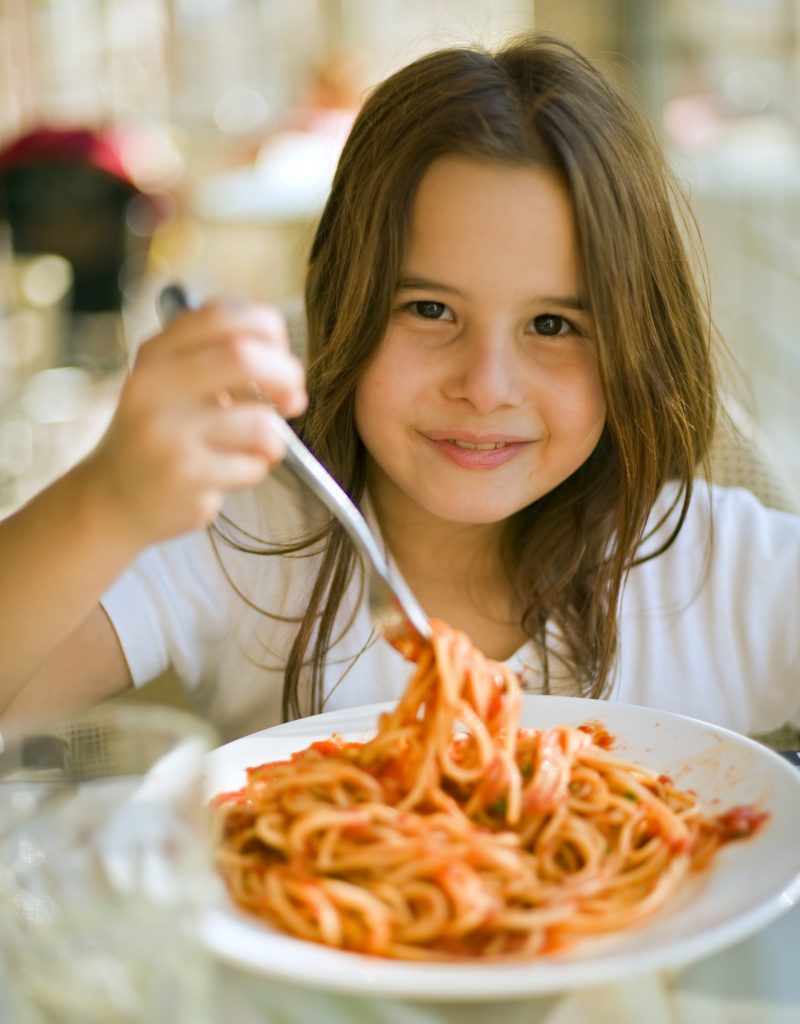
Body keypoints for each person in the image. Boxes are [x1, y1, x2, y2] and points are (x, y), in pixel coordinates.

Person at [1, 35, 798, 743]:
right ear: (344, 308)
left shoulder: (724, 565)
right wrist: (107, 498)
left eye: (553, 325)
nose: (486, 389)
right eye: (428, 309)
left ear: (635, 343)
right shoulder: (250, 537)